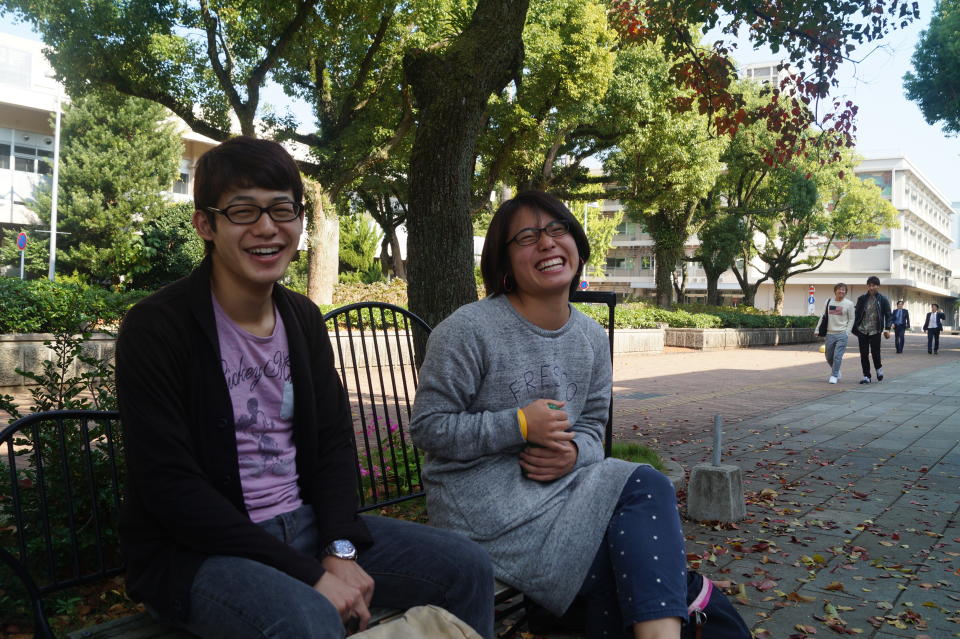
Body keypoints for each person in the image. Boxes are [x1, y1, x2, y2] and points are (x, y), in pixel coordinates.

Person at [115, 136, 493, 639]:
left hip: (308, 526)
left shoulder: (301, 319)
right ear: (205, 224)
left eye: (281, 209)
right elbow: (171, 489)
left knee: (464, 565)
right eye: (243, 211)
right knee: (307, 621)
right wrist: (313, 575)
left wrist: (338, 548)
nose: (267, 228)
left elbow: (333, 442)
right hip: (200, 554)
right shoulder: (158, 327)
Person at [410, 191, 688, 639]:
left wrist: (575, 453)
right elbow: (427, 428)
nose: (547, 243)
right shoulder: (469, 330)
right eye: (527, 237)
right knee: (618, 566)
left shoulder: (592, 337)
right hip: (486, 517)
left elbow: (594, 427)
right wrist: (517, 425)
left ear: (577, 244)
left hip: (563, 496)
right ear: (503, 264)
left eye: (557, 230)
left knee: (645, 489)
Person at [851, 276, 893, 384]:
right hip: (862, 330)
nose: (871, 287)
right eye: (869, 285)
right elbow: (856, 314)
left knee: (875, 353)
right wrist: (854, 327)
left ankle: (879, 369)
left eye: (873, 285)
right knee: (863, 354)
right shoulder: (862, 299)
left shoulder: (883, 299)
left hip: (876, 330)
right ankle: (867, 376)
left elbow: (888, 315)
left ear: (878, 286)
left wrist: (887, 329)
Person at [815, 283, 854, 384]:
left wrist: (847, 332)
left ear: (845, 292)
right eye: (839, 289)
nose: (841, 291)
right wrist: (817, 329)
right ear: (835, 291)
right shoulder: (828, 302)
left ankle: (834, 375)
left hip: (842, 334)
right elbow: (823, 316)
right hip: (830, 333)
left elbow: (851, 319)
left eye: (843, 290)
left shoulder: (849, 304)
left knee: (837, 356)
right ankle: (836, 370)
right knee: (828, 356)